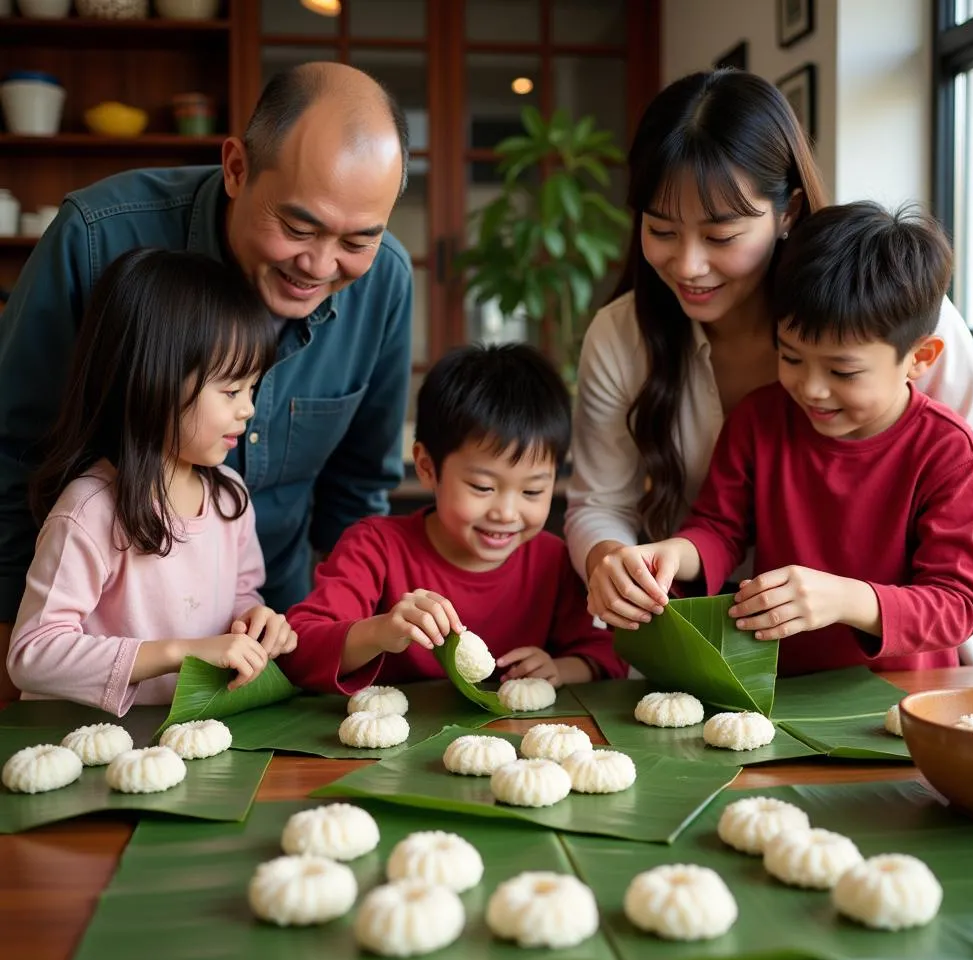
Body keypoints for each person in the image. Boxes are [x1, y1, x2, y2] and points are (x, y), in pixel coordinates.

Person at [568, 69, 973, 666]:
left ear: (788, 213)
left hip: (906, 665)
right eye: (661, 229)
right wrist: (618, 562)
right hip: (732, 654)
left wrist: (869, 600)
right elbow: (661, 515)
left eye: (722, 233)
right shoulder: (716, 389)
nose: (689, 263)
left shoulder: (896, 316)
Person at [0, 62, 413, 701]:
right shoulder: (96, 238)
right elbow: (11, 454)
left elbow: (358, 490)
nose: (321, 264)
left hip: (263, 662)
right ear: (237, 168)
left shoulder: (384, 280)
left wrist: (329, 641)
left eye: (359, 239)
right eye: (299, 228)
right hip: (82, 675)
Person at [588, 202, 973, 676]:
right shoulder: (759, 420)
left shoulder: (950, 454)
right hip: (780, 694)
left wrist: (847, 598)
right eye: (792, 357)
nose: (811, 389)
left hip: (902, 702)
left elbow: (957, 605)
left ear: (920, 358)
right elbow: (719, 529)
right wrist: (671, 554)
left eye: (843, 371)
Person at [7, 249, 298, 713]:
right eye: (229, 391)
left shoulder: (230, 497)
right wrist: (177, 652)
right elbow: (32, 655)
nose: (247, 409)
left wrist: (254, 621)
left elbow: (242, 594)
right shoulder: (90, 511)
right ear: (151, 380)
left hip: (183, 737)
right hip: (84, 745)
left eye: (252, 389)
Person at [283, 343, 626, 695]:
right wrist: (380, 632)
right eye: (482, 486)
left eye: (532, 492)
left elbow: (607, 654)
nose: (506, 513)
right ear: (427, 467)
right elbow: (301, 647)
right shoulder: (374, 547)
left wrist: (560, 668)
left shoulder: (553, 561)